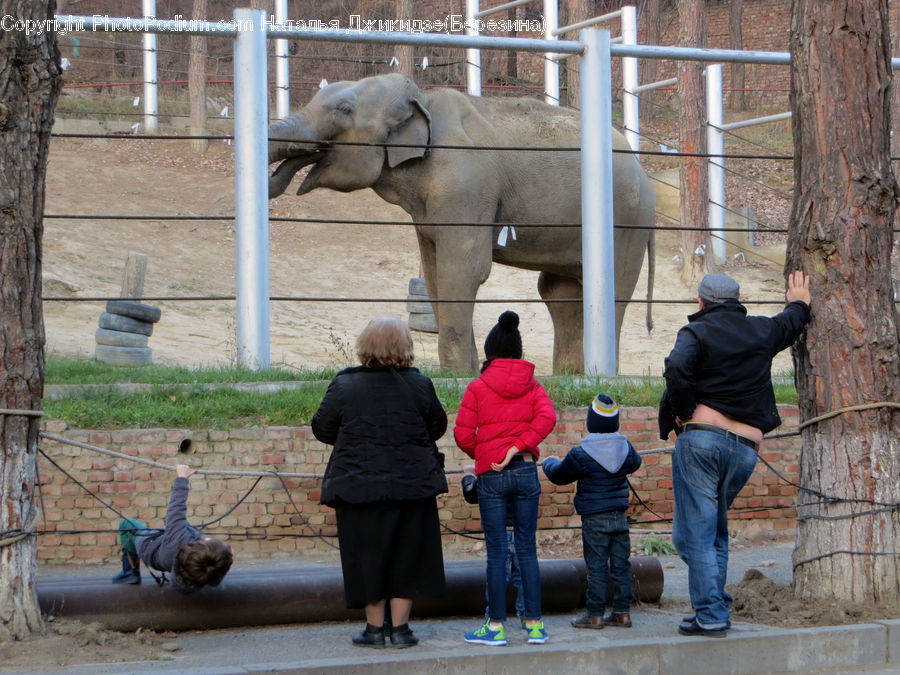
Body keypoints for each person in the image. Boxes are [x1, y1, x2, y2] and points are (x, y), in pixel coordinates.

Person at [660, 270, 811, 638]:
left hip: (703, 441)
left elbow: (676, 367)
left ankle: (710, 613)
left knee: (690, 536)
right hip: (744, 449)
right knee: (714, 531)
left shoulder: (695, 332)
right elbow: (789, 324)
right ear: (736, 300)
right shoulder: (760, 330)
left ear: (701, 302)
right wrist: (800, 302)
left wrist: (682, 410)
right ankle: (713, 607)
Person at [311, 316, 448, 649]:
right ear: (405, 347)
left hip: (359, 486)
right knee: (408, 556)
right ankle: (400, 630)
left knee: (366, 557)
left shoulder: (344, 385)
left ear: (365, 347)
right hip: (412, 484)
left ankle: (374, 630)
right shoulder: (420, 384)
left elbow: (322, 428)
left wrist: (354, 440)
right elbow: (437, 426)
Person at [454, 310, 557, 646]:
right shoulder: (534, 387)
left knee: (497, 552)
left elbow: (463, 434)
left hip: (492, 476)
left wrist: (488, 455)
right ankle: (536, 625)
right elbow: (548, 418)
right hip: (527, 471)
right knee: (527, 549)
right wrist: (519, 446)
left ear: (490, 352)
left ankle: (495, 627)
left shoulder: (478, 387)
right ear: (519, 351)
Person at [542, 393, 642, 630]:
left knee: (596, 568)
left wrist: (549, 462)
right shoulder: (625, 449)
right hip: (619, 517)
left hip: (594, 519)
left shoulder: (581, 454)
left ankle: (595, 615)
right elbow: (636, 463)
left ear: (591, 422)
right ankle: (622, 613)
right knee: (621, 567)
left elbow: (559, 475)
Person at [112, 464, 233, 593]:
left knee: (127, 524)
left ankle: (130, 573)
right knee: (183, 526)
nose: (208, 538)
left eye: (209, 540)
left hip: (148, 546)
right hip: (169, 556)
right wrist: (225, 556)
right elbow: (218, 565)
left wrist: (182, 478)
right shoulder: (207, 572)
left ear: (201, 545)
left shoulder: (178, 541)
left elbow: (176, 510)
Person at [461, 468, 525, 625]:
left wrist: (468, 476)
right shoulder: (523, 471)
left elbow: (471, 494)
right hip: (521, 530)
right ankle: (528, 615)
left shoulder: (491, 471)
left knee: (498, 575)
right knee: (524, 576)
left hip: (499, 530)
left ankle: (494, 618)